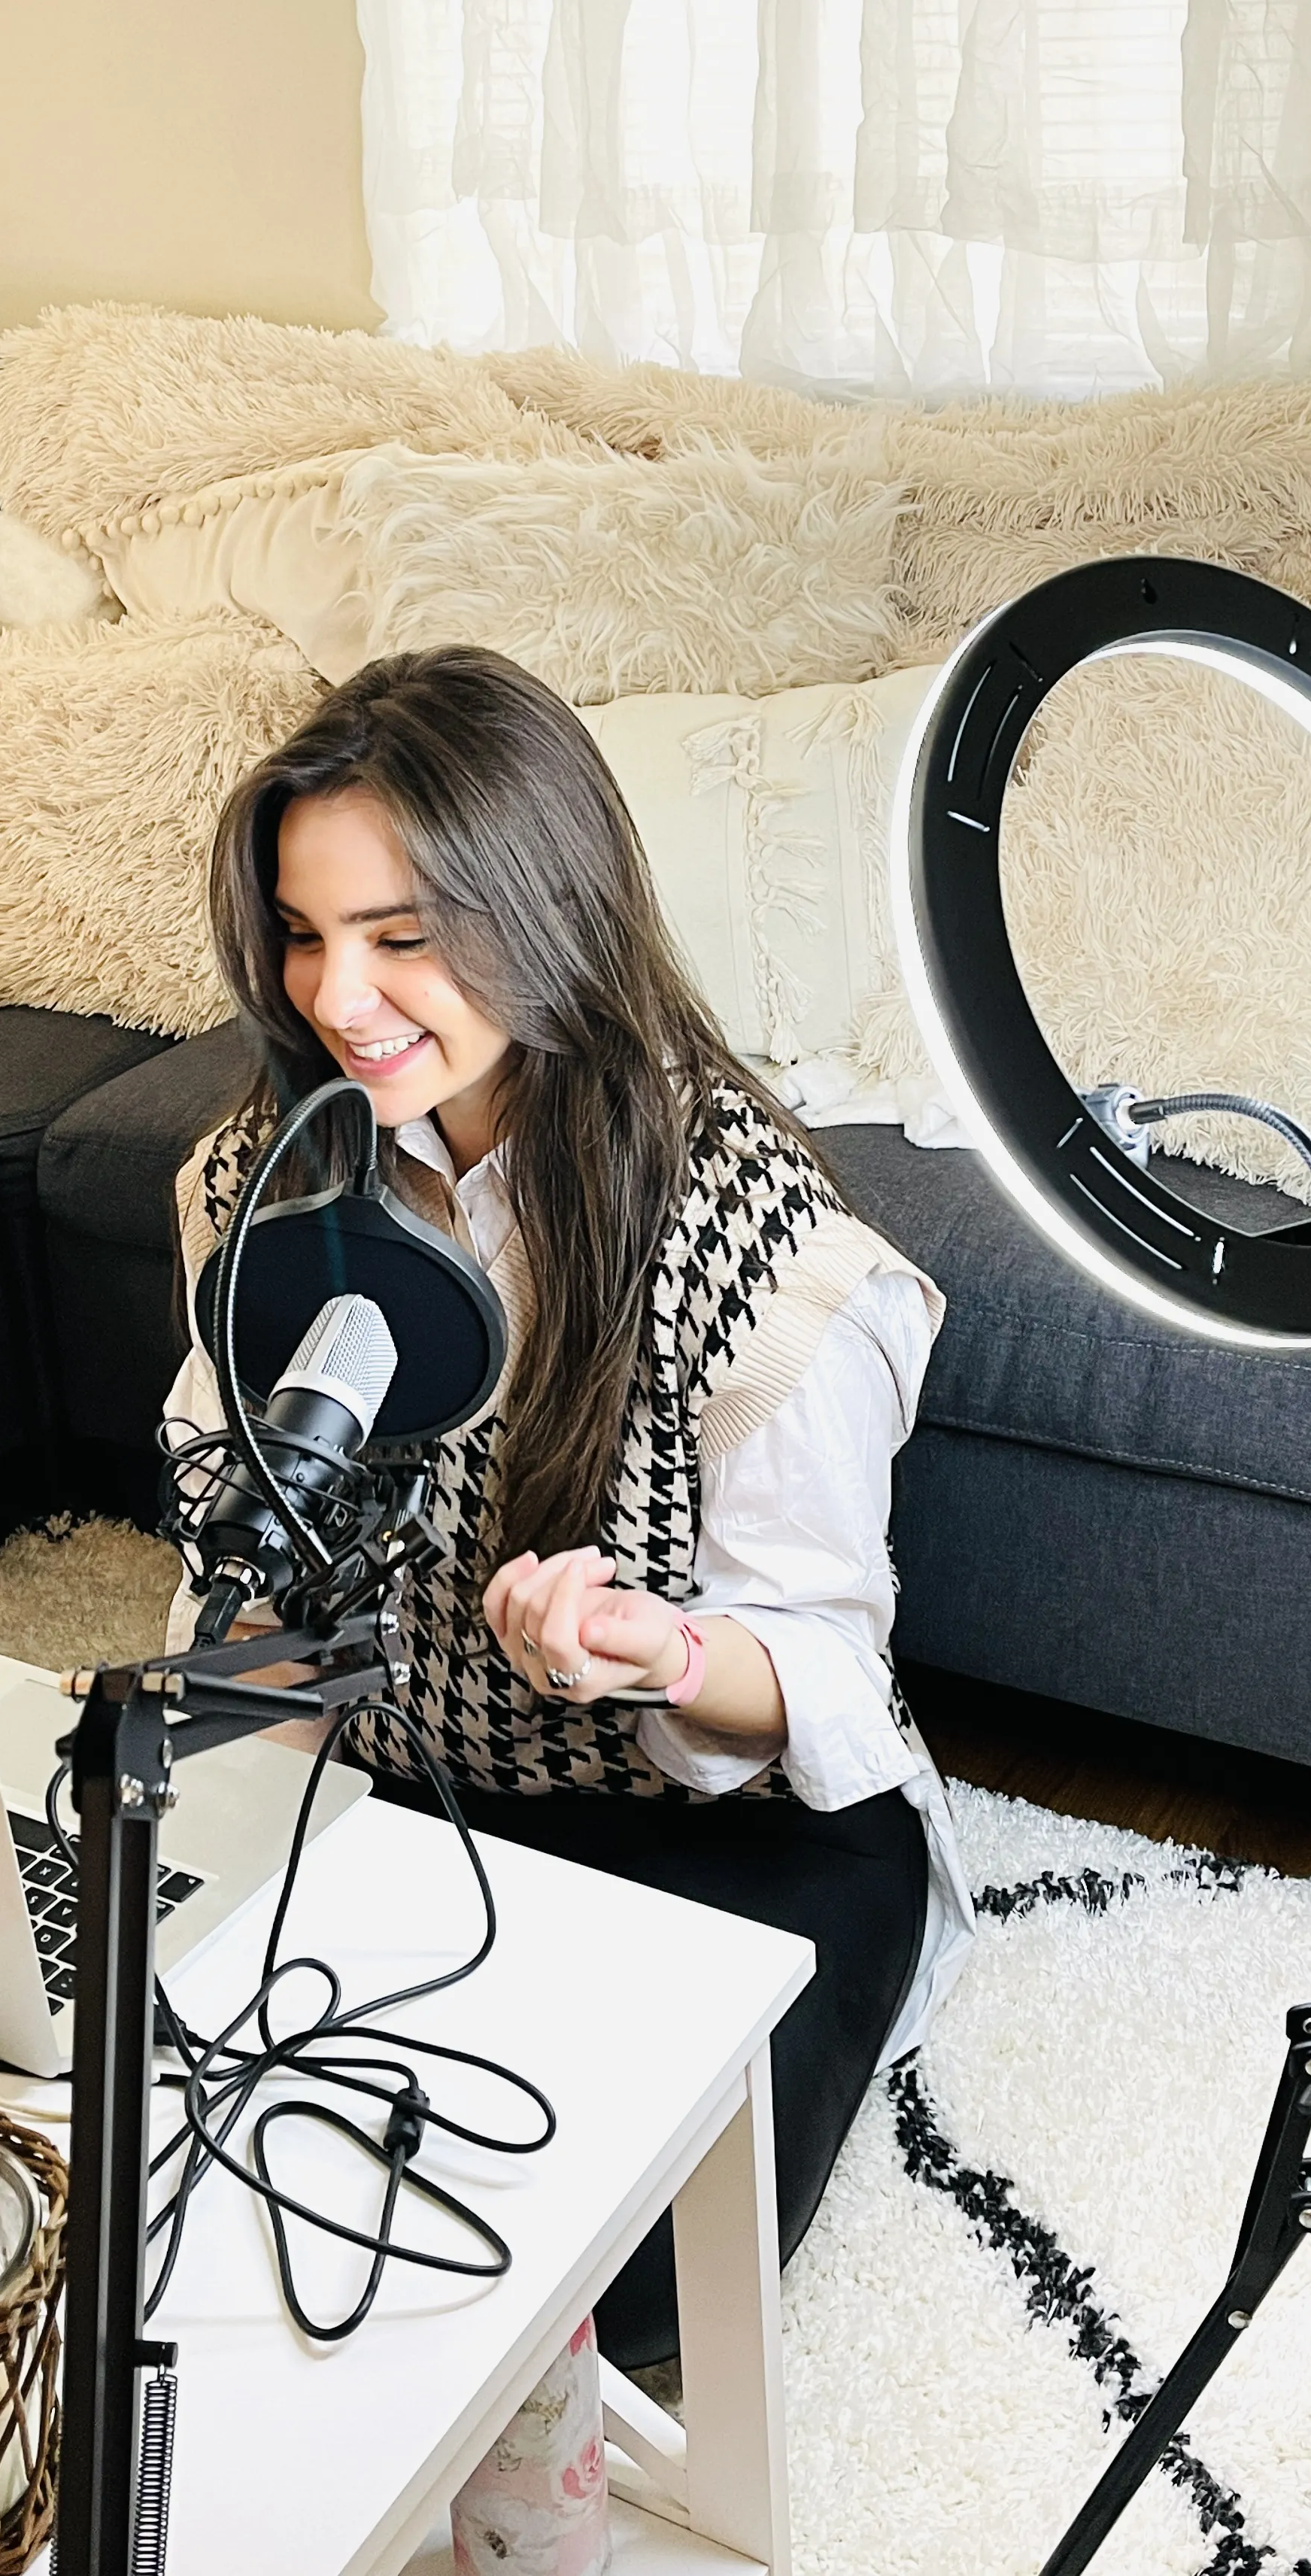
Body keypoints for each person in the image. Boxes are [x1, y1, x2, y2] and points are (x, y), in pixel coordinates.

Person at [163, 645, 972, 2367]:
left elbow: (829, 1675)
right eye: (304, 936)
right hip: (410, 1776)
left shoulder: (764, 1254)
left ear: (540, 909)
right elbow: (228, 1516)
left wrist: (659, 1652)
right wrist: (219, 1752)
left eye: (400, 936)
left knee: (614, 2282)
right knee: (217, 2138)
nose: (339, 997)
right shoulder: (269, 1180)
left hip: (725, 1827)